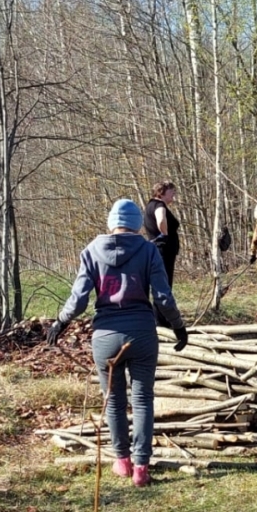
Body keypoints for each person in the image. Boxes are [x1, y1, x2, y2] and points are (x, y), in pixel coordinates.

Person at [49, 198, 190, 488]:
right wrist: (178, 325)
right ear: (138, 224)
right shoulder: (149, 250)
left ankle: (121, 461)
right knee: (142, 401)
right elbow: (162, 297)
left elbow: (79, 299)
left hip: (105, 335)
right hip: (141, 332)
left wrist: (60, 321)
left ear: (111, 222)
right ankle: (141, 467)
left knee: (113, 402)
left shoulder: (91, 251)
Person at [143, 181, 181, 286]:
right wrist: (165, 235)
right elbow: (160, 220)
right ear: (161, 192)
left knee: (159, 281)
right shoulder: (159, 205)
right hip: (164, 249)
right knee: (165, 281)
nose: (174, 193)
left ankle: (160, 302)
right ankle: (164, 302)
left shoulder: (150, 205)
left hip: (157, 248)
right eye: (171, 190)